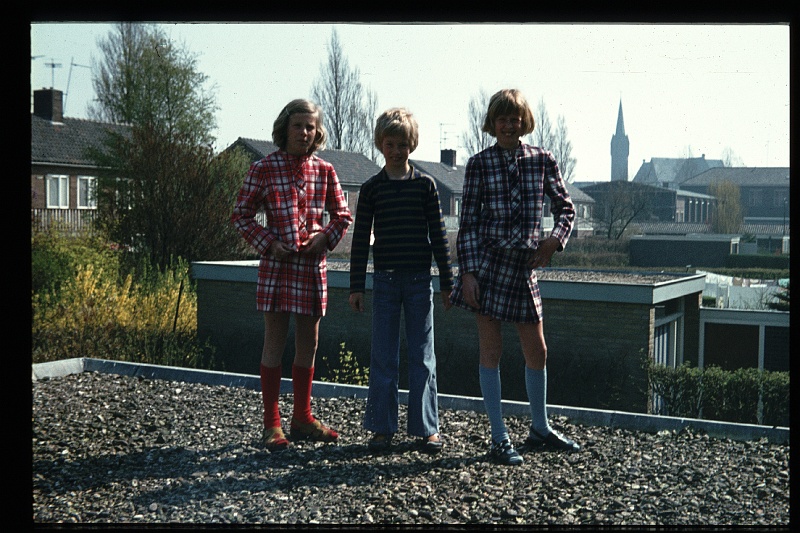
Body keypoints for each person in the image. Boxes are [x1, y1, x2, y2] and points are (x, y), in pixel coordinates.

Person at [449, 89, 580, 465]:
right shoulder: (478, 164)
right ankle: (498, 437)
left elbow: (566, 208)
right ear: (491, 124)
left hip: (524, 267)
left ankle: (539, 428)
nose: (509, 125)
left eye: (515, 118)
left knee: (537, 349)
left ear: (525, 121)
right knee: (491, 350)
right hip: (487, 265)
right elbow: (469, 223)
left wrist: (553, 241)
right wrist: (469, 273)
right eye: (502, 119)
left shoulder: (543, 160)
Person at [231, 98, 353, 452]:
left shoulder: (325, 170)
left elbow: (342, 216)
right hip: (277, 265)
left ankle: (302, 417)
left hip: (312, 267)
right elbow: (241, 215)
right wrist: (268, 243)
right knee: (274, 342)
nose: (304, 132)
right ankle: (272, 425)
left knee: (309, 343)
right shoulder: (263, 168)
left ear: (318, 133)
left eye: (310, 127)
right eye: (298, 125)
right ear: (284, 127)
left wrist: (324, 239)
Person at [349, 107, 454, 454]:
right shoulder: (371, 189)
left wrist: (447, 282)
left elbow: (438, 236)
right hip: (385, 281)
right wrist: (355, 286)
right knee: (383, 354)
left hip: (419, 281)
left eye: (403, 144)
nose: (396, 150)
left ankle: (427, 428)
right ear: (381, 144)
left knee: (423, 355)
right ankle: (381, 427)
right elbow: (361, 238)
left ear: (412, 145)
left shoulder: (425, 186)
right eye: (390, 144)